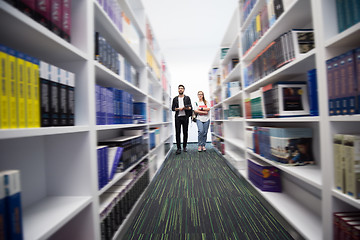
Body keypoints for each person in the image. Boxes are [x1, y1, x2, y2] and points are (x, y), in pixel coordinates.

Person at [172, 85, 192, 154]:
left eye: (182, 88)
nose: (180, 89)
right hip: (178, 117)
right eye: (179, 88)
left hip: (185, 117)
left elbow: (190, 107)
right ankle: (178, 148)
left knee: (185, 132)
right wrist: (178, 109)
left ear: (184, 90)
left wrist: (185, 108)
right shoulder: (175, 99)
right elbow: (172, 108)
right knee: (177, 133)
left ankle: (184, 147)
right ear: (178, 90)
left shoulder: (187, 98)